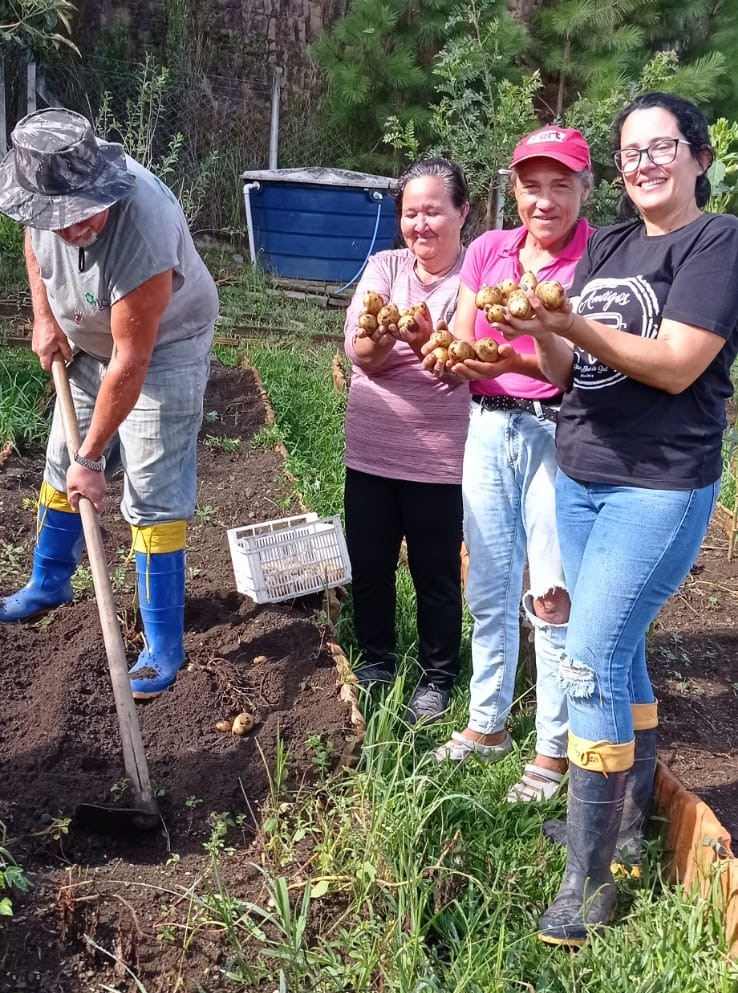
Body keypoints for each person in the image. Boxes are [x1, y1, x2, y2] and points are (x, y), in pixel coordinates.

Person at [501, 92, 738, 946]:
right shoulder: (610, 243)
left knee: (591, 656)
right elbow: (569, 370)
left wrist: (568, 321)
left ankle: (590, 878)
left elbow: (676, 365)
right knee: (617, 649)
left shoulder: (718, 241)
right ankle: (626, 827)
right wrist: (545, 328)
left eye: (660, 146)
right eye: (630, 151)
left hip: (657, 484)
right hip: (582, 472)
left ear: (698, 156)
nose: (643, 162)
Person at [0, 107, 218, 701]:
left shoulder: (145, 224)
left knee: (150, 488)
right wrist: (46, 319)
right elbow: (34, 242)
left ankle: (163, 642)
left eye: (82, 214)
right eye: (58, 218)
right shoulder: (43, 201)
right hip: (87, 337)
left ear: (105, 186)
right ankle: (48, 581)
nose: (71, 228)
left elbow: (132, 361)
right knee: (57, 463)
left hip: (161, 349)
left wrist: (93, 458)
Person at [429, 128, 595, 805]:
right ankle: (487, 721)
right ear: (514, 187)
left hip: (560, 434)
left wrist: (519, 353)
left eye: (562, 184)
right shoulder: (489, 250)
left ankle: (554, 747)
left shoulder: (596, 259)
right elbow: (465, 341)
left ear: (586, 189)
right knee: (490, 583)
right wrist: (445, 353)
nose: (545, 199)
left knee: (552, 593)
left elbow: (576, 372)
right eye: (533, 184)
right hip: (487, 426)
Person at [343, 157, 470, 725]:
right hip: (371, 450)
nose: (421, 224)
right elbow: (361, 353)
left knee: (435, 575)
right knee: (370, 564)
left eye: (433, 211)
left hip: (440, 459)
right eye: (410, 212)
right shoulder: (384, 266)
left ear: (462, 213)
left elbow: (458, 367)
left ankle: (438, 677)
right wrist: (400, 346)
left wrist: (420, 342)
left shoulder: (474, 279)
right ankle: (376, 662)